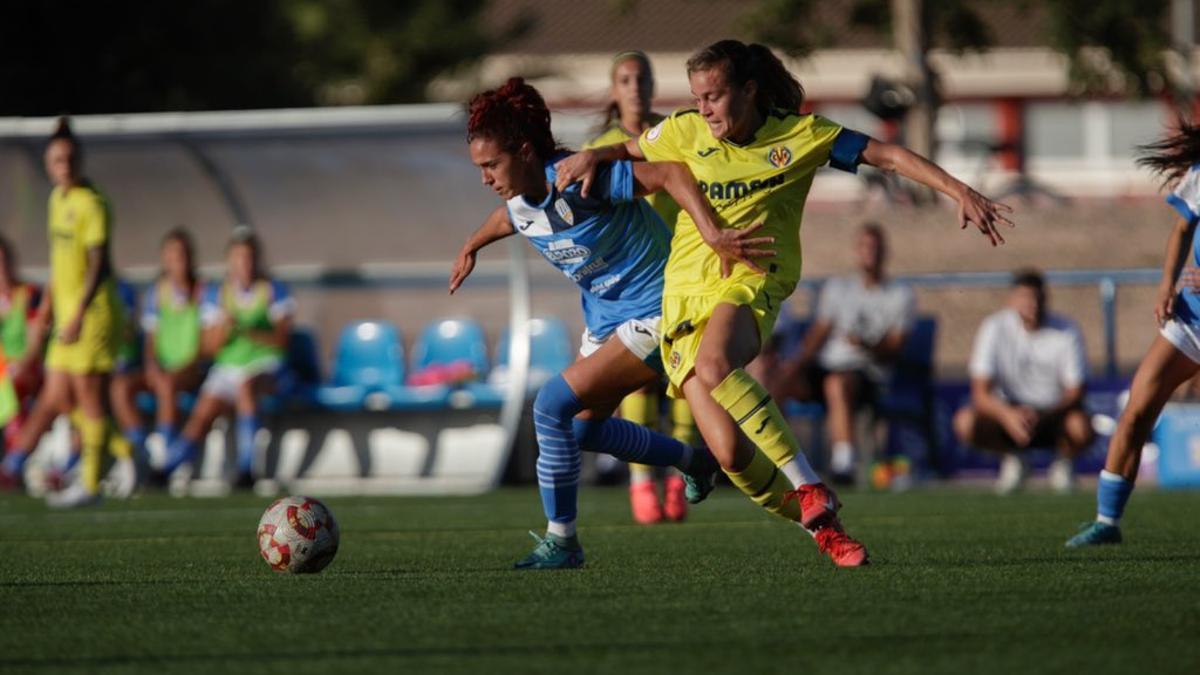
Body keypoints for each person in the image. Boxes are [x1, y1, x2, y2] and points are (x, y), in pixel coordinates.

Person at [556, 39, 1013, 567]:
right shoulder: (684, 130)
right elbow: (628, 149)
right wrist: (591, 153)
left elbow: (884, 155)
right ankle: (824, 528)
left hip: (749, 284)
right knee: (730, 456)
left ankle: (811, 484)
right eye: (698, 97)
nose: (704, 108)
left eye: (715, 96)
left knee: (715, 362)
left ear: (748, 91)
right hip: (680, 300)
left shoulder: (798, 136)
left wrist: (959, 190)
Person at [452, 77, 764, 569]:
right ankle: (693, 460)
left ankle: (563, 543)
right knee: (580, 433)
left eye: (492, 165)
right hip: (605, 323)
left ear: (527, 151)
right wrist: (471, 246)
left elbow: (671, 175)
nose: (486, 177)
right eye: (480, 168)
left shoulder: (581, 179)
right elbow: (508, 220)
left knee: (550, 405)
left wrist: (714, 233)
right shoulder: (519, 201)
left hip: (658, 312)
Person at [1066, 124, 1200, 547]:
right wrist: (1166, 284)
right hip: (1192, 320)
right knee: (1137, 410)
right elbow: (1182, 229)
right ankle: (1107, 521)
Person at [584, 50, 698, 524]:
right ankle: (640, 480)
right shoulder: (602, 146)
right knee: (637, 377)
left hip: (680, 271)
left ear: (653, 85)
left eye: (642, 78)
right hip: (627, 280)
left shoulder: (669, 135)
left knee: (685, 377)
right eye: (626, 79)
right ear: (615, 90)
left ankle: (681, 475)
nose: (635, 87)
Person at [0, 117, 132, 507]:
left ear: (80, 159)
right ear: (48, 162)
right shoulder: (56, 201)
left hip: (93, 315)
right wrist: (48, 310)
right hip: (67, 314)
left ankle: (90, 485)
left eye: (71, 158)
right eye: (58, 159)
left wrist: (76, 315)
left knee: (89, 399)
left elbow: (99, 266)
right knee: (58, 397)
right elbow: (62, 265)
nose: (65, 165)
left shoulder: (92, 204)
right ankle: (126, 451)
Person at [751, 223, 915, 484]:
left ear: (885, 251)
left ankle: (843, 462)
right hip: (827, 366)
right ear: (856, 251)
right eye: (864, 246)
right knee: (775, 381)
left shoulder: (900, 294)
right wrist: (792, 367)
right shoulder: (838, 288)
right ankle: (772, 459)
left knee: (837, 383)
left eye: (874, 247)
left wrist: (865, 345)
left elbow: (894, 348)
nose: (869, 252)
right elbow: (818, 334)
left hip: (867, 373)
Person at [160, 228, 293, 489]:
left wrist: (244, 329)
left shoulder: (273, 290)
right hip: (228, 367)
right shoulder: (218, 295)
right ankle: (168, 467)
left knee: (246, 387)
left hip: (265, 365)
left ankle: (246, 468)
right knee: (204, 410)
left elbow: (281, 341)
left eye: (249, 257)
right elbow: (209, 347)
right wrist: (222, 329)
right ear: (229, 262)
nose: (244, 264)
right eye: (238, 258)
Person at [953, 270, 1092, 494]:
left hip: (1053, 413)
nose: (1032, 305)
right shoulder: (994, 327)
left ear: (1046, 299)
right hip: (1010, 411)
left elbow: (1077, 390)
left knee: (1081, 427)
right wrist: (1007, 415)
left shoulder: (1066, 329)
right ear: (1012, 300)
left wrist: (1044, 415)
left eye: (1037, 298)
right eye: (1025, 298)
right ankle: (1013, 460)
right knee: (965, 422)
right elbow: (980, 391)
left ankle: (1062, 464)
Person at [141, 228, 206, 453]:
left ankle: (165, 449)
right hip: (163, 367)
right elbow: (151, 337)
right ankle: (140, 449)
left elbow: (206, 343)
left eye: (179, 255)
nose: (175, 261)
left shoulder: (202, 292)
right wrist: (151, 365)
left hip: (191, 368)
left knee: (167, 384)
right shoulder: (157, 293)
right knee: (120, 387)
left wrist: (182, 367)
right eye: (169, 255)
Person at [0, 236, 45, 453]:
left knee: (9, 382)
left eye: (3, 260)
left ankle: (14, 452)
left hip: (26, 367)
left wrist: (20, 364)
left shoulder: (29, 294)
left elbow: (35, 340)